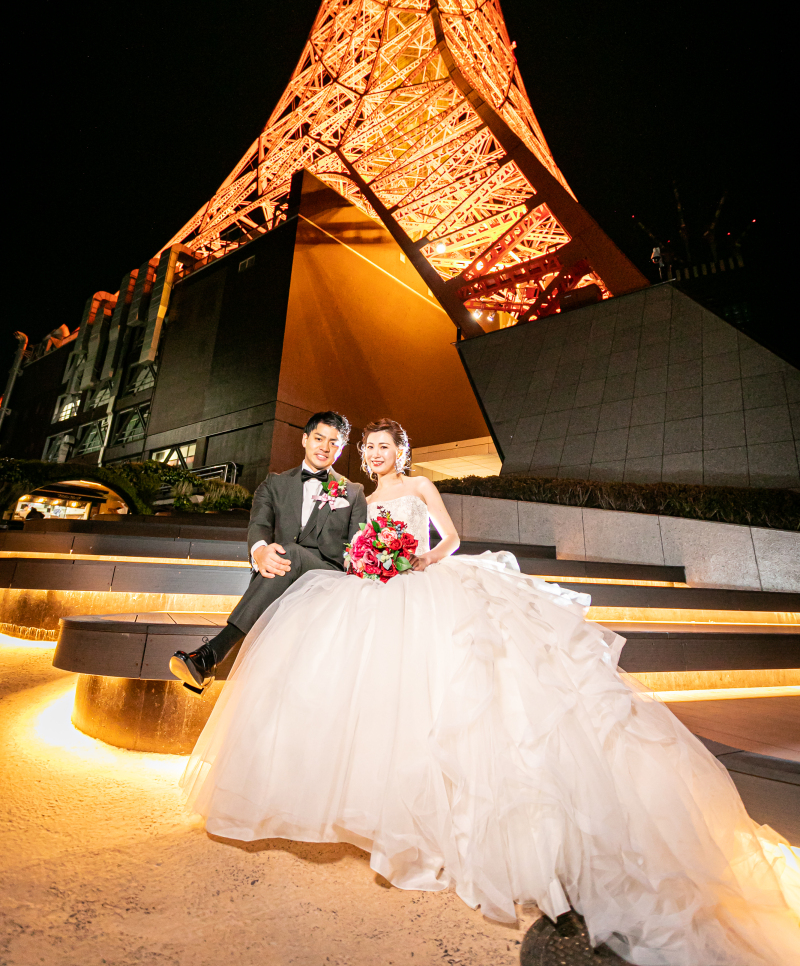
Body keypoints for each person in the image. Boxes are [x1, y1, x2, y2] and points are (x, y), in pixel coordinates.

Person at [182, 418, 800, 964]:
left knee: (449, 692)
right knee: (383, 701)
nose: (374, 454)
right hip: (378, 589)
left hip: (427, 583)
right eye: (367, 448)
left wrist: (420, 560)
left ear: (401, 451)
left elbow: (449, 540)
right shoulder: (360, 497)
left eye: (382, 446)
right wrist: (370, 561)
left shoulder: (419, 487)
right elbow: (349, 546)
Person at [169, 411, 367, 693]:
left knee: (292, 553)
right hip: (278, 572)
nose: (325, 447)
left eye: (333, 442)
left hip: (328, 577)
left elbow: (357, 545)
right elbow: (259, 524)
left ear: (341, 449)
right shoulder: (273, 484)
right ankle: (207, 665)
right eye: (319, 438)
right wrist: (259, 551)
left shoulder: (353, 492)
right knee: (285, 555)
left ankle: (212, 653)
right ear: (305, 439)